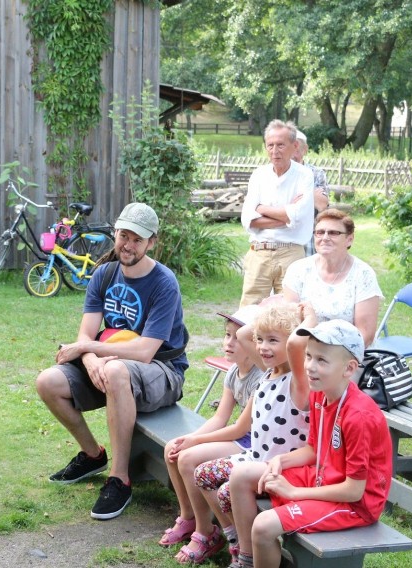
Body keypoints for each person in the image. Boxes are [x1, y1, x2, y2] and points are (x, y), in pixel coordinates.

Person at [36, 202, 189, 521]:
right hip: (109, 363)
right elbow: (87, 331)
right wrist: (89, 357)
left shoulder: (164, 282)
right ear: (115, 234)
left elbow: (146, 351)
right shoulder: (105, 273)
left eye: (137, 239)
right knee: (48, 381)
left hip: (162, 371)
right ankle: (93, 455)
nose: (128, 245)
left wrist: (90, 350)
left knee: (117, 370)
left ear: (152, 242)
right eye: (123, 235)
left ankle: (120, 479)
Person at [228, 320, 393, 568]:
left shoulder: (359, 416)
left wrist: (295, 493)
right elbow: (314, 449)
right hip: (323, 479)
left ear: (349, 368)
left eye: (322, 361)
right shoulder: (319, 392)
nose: (310, 367)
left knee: (263, 526)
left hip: (353, 505)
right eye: (308, 356)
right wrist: (280, 460)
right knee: (242, 475)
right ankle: (247, 560)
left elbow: (354, 490)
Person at [186, 302, 311, 565]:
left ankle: (247, 556)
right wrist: (270, 311)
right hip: (257, 457)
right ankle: (236, 540)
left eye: (273, 340)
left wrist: (307, 317)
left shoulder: (298, 382)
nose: (263, 347)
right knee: (205, 477)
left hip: (280, 467)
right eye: (261, 339)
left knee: (224, 491)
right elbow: (244, 334)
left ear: (290, 343)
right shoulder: (268, 373)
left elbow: (297, 346)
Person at [157, 305, 264, 560]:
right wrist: (188, 440)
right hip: (238, 438)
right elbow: (219, 417)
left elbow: (240, 428)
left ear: (253, 344)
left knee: (188, 457)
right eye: (227, 335)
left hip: (251, 444)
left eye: (237, 338)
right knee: (174, 448)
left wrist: (195, 441)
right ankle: (188, 517)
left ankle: (207, 532)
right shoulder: (234, 372)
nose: (229, 342)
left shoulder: (261, 378)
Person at [240, 120, 314, 307]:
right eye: (270, 145)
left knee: (289, 311)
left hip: (291, 253)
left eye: (280, 145)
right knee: (249, 311)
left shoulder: (304, 175)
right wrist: (285, 214)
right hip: (259, 252)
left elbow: (297, 215)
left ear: (294, 146)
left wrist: (261, 208)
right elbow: (247, 219)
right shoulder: (258, 175)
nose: (275, 151)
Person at [281, 208, 382, 345]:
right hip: (303, 349)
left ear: (349, 239)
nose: (325, 238)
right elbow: (289, 322)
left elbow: (365, 334)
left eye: (334, 233)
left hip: (348, 353)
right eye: (320, 232)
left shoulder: (363, 274)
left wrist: (333, 358)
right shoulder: (298, 270)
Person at [293, 130, 328, 256]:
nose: (292, 154)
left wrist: (298, 197)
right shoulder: (275, 173)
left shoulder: (317, 173)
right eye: (290, 149)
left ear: (305, 149)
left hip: (309, 233)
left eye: (297, 149)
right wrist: (311, 195)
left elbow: (322, 204)